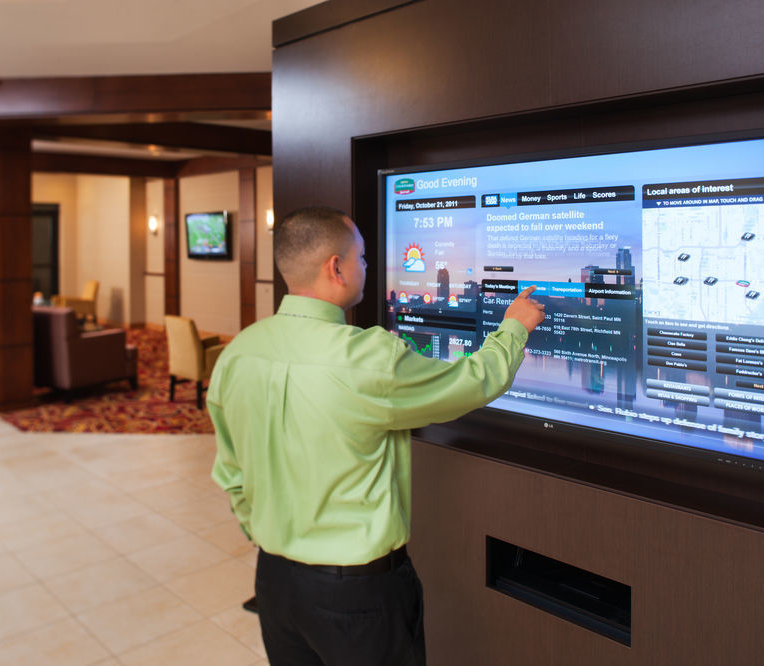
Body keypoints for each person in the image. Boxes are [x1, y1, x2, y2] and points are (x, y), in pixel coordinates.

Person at [208, 205, 545, 666]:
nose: (367, 267)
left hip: (274, 582)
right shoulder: (367, 359)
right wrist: (514, 328)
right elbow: (470, 383)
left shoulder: (238, 352)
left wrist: (270, 535)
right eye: (363, 256)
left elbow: (230, 474)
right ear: (336, 266)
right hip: (356, 596)